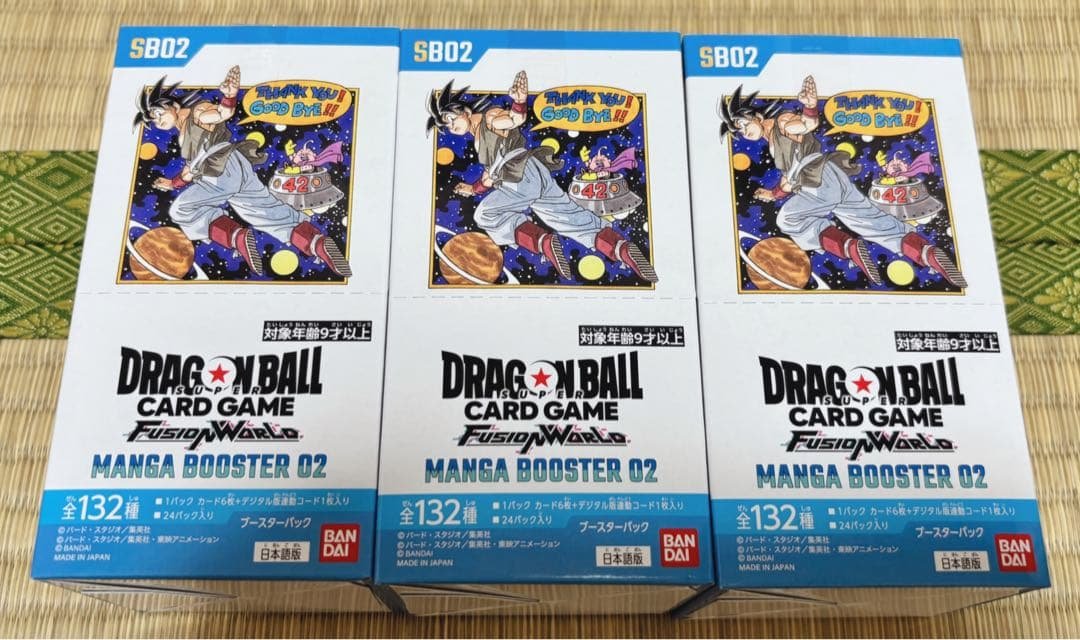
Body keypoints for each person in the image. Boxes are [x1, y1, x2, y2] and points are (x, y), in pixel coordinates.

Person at [720, 77, 965, 288]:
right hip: (832, 177)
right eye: (738, 132)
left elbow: (806, 125)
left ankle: (847, 247)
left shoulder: (782, 123)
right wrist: (773, 194)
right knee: (874, 223)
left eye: (744, 124)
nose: (744, 132)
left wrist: (810, 107)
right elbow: (788, 178)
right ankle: (928, 253)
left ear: (757, 116)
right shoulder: (773, 142)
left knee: (788, 219)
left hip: (818, 182)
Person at [426, 71, 656, 283]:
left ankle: (541, 242)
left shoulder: (489, 118)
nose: (451, 126)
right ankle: (621, 249)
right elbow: (490, 175)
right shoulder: (479, 135)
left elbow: (513, 120)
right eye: (446, 126)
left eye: (451, 119)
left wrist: (519, 102)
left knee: (485, 214)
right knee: (570, 218)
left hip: (520, 179)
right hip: (534, 172)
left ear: (465, 111)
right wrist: (473, 189)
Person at [133, 67, 351, 277]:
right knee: (267, 213)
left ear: (173, 105)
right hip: (236, 166)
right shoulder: (184, 129)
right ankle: (317, 243)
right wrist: (173, 183)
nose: (158, 121)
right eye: (153, 121)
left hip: (221, 172)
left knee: (181, 209)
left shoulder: (197, 114)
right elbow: (191, 170)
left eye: (158, 113)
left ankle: (235, 236)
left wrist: (229, 97)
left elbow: (221, 113)